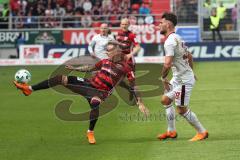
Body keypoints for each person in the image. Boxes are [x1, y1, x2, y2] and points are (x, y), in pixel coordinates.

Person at [13, 42, 149, 145]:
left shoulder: (126, 67)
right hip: (88, 84)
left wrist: (140, 103)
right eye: (106, 51)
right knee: (61, 78)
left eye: (109, 51)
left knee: (95, 102)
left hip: (101, 92)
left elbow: (133, 86)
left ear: (117, 52)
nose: (106, 53)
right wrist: (75, 68)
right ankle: (30, 89)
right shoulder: (105, 61)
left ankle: (90, 132)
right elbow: (90, 68)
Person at [156, 12, 208, 142]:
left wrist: (163, 78)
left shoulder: (169, 42)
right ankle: (171, 132)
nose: (159, 25)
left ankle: (202, 132)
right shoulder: (178, 37)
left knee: (181, 110)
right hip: (179, 78)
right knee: (165, 100)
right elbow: (189, 56)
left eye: (161, 23)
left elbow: (167, 64)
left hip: (184, 81)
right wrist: (191, 70)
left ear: (168, 24)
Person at [115, 18, 141, 103]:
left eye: (125, 24)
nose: (124, 26)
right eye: (122, 24)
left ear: (128, 25)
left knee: (132, 81)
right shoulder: (117, 34)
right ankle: (130, 89)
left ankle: (138, 102)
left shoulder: (132, 35)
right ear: (120, 25)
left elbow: (138, 47)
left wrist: (130, 54)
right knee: (117, 80)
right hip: (119, 60)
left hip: (129, 62)